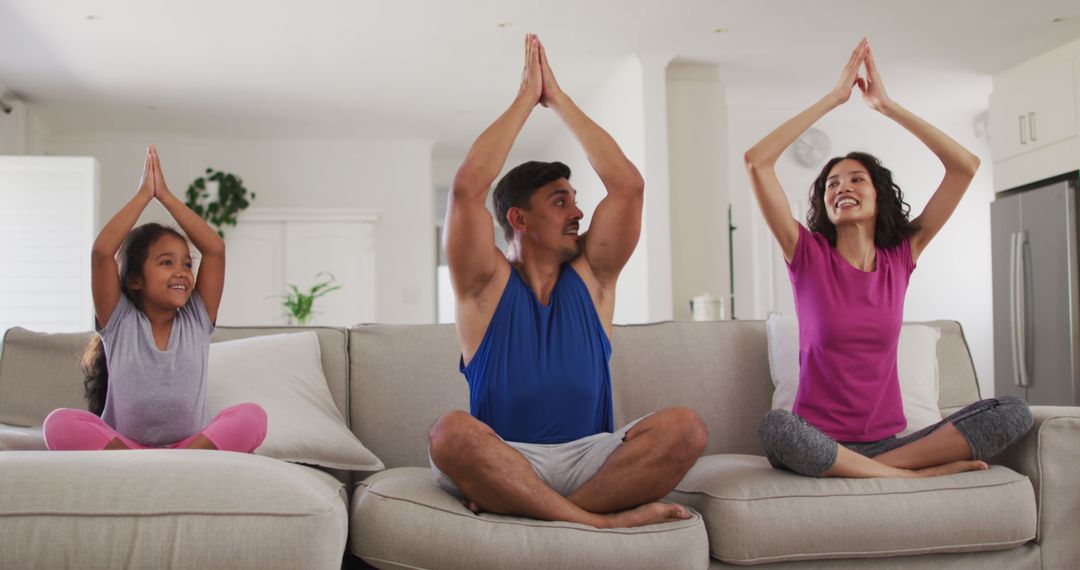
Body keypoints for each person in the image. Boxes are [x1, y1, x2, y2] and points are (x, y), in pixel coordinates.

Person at [428, 34, 707, 528]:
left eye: (575, 200)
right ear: (519, 218)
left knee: (686, 429)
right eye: (561, 201)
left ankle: (545, 510)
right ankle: (600, 521)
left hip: (591, 460)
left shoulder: (593, 276)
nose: (578, 212)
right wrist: (524, 100)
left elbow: (628, 186)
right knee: (449, 433)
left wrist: (557, 99)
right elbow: (468, 189)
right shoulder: (484, 285)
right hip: (508, 457)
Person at [746, 39, 1032, 478]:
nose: (842, 187)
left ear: (879, 195)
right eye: (832, 184)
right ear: (825, 204)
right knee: (777, 428)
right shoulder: (806, 254)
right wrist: (833, 99)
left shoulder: (902, 255)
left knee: (1012, 411)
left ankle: (869, 469)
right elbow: (756, 162)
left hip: (888, 441)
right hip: (818, 439)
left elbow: (964, 167)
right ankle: (906, 476)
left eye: (856, 179)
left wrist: (886, 106)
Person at [43, 145, 267, 453]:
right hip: (125, 447)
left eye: (187, 264)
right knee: (58, 423)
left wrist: (167, 197)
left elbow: (214, 249)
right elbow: (102, 252)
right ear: (135, 279)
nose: (181, 272)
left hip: (189, 447)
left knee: (253, 417)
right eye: (166, 263)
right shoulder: (119, 322)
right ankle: (142, 465)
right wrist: (143, 196)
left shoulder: (197, 319)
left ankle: (177, 462)